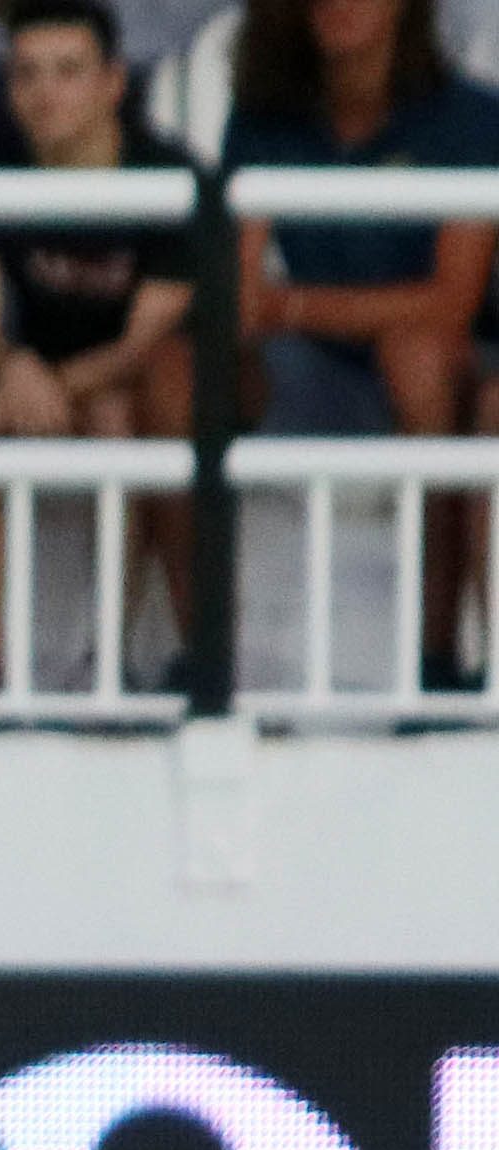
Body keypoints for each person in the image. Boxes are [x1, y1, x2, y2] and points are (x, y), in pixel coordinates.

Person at [227, 0, 499, 683]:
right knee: (186, 368)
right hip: (310, 368)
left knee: (420, 358)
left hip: (442, 368)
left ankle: (435, 656)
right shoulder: (262, 118)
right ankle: (205, 662)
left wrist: (291, 306)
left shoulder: (469, 117)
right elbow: (239, 298)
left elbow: (451, 303)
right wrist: (279, 314)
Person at [0, 0, 195, 681]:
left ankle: (106, 659)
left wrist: (44, 385)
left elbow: (142, 346)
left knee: (116, 416)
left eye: (68, 71)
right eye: (26, 73)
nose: (44, 92)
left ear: (113, 82)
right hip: (24, 374)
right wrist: (15, 371)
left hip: (124, 382)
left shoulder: (165, 175)